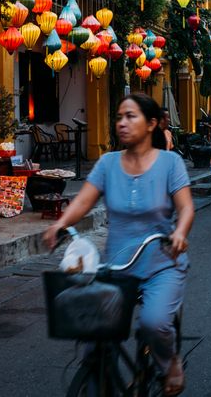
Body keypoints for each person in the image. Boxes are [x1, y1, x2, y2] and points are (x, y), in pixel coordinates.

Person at [43, 93, 194, 396]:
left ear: (152, 124)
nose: (122, 123)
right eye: (119, 117)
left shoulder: (169, 162)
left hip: (161, 263)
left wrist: (179, 232)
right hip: (116, 266)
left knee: (153, 324)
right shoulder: (108, 163)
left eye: (131, 116)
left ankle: (169, 364)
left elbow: (186, 207)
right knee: (90, 330)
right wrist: (62, 223)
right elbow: (84, 199)